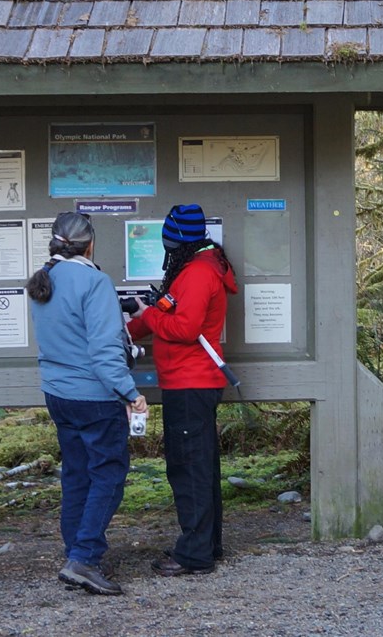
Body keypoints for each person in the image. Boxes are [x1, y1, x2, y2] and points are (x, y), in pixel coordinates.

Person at [26, 211, 147, 596]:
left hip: (59, 395)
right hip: (94, 396)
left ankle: (75, 551)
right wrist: (130, 392)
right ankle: (84, 558)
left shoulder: (45, 280)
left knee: (77, 475)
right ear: (90, 243)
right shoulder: (94, 281)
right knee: (108, 473)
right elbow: (104, 353)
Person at [127, 203, 238, 577]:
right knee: (200, 467)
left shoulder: (196, 273)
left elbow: (184, 329)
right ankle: (207, 545)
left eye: (168, 240)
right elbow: (169, 312)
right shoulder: (201, 267)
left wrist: (146, 314)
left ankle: (194, 554)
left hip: (190, 382)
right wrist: (131, 327)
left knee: (188, 469)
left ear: (176, 240)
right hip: (194, 382)